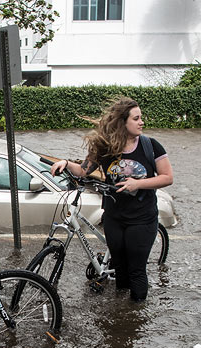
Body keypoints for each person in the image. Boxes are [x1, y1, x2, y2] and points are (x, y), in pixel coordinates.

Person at [50, 97, 173, 301]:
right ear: (122, 123)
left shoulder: (151, 146)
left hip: (142, 218)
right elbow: (83, 171)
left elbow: (167, 177)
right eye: (136, 118)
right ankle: (120, 316)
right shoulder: (105, 147)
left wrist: (138, 183)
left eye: (141, 118)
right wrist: (65, 162)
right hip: (114, 217)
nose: (142, 122)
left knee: (136, 270)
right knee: (121, 269)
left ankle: (135, 318)